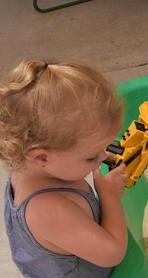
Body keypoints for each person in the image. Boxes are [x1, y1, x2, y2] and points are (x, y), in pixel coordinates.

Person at [0, 60, 128, 277]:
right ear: (41, 157)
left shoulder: (32, 165)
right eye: (91, 156)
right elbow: (112, 253)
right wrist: (110, 197)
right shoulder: (48, 210)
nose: (105, 156)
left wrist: (92, 153)